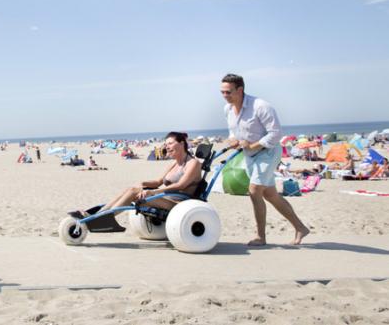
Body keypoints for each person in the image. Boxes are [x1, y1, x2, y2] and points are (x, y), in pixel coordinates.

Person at [221, 73, 309, 246]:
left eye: (228, 92)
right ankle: (301, 228)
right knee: (270, 194)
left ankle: (261, 237)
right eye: (222, 92)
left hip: (268, 152)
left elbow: (276, 134)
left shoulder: (260, 106)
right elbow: (234, 131)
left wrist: (254, 145)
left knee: (254, 191)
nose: (225, 96)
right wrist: (233, 140)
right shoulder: (228, 109)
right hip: (249, 155)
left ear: (240, 90)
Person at [78, 132, 201, 216]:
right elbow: (159, 182)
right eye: (166, 144)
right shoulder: (174, 164)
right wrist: (143, 183)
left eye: (170, 143)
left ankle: (104, 216)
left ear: (182, 143)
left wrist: (153, 192)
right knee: (132, 189)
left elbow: (181, 185)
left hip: (179, 205)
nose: (166, 147)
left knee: (133, 192)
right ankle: (100, 214)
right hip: (166, 199)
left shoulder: (193, 163)